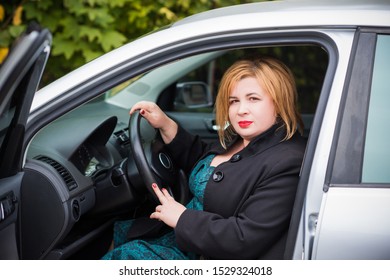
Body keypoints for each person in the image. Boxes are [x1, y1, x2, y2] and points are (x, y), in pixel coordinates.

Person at [101, 56, 306, 260]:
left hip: (206, 253)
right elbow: (206, 162)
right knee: (117, 231)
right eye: (234, 101)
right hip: (179, 235)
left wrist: (182, 218)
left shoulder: (287, 161)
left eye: (253, 99)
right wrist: (165, 124)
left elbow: (244, 238)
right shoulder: (240, 140)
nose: (241, 110)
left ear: (279, 103)